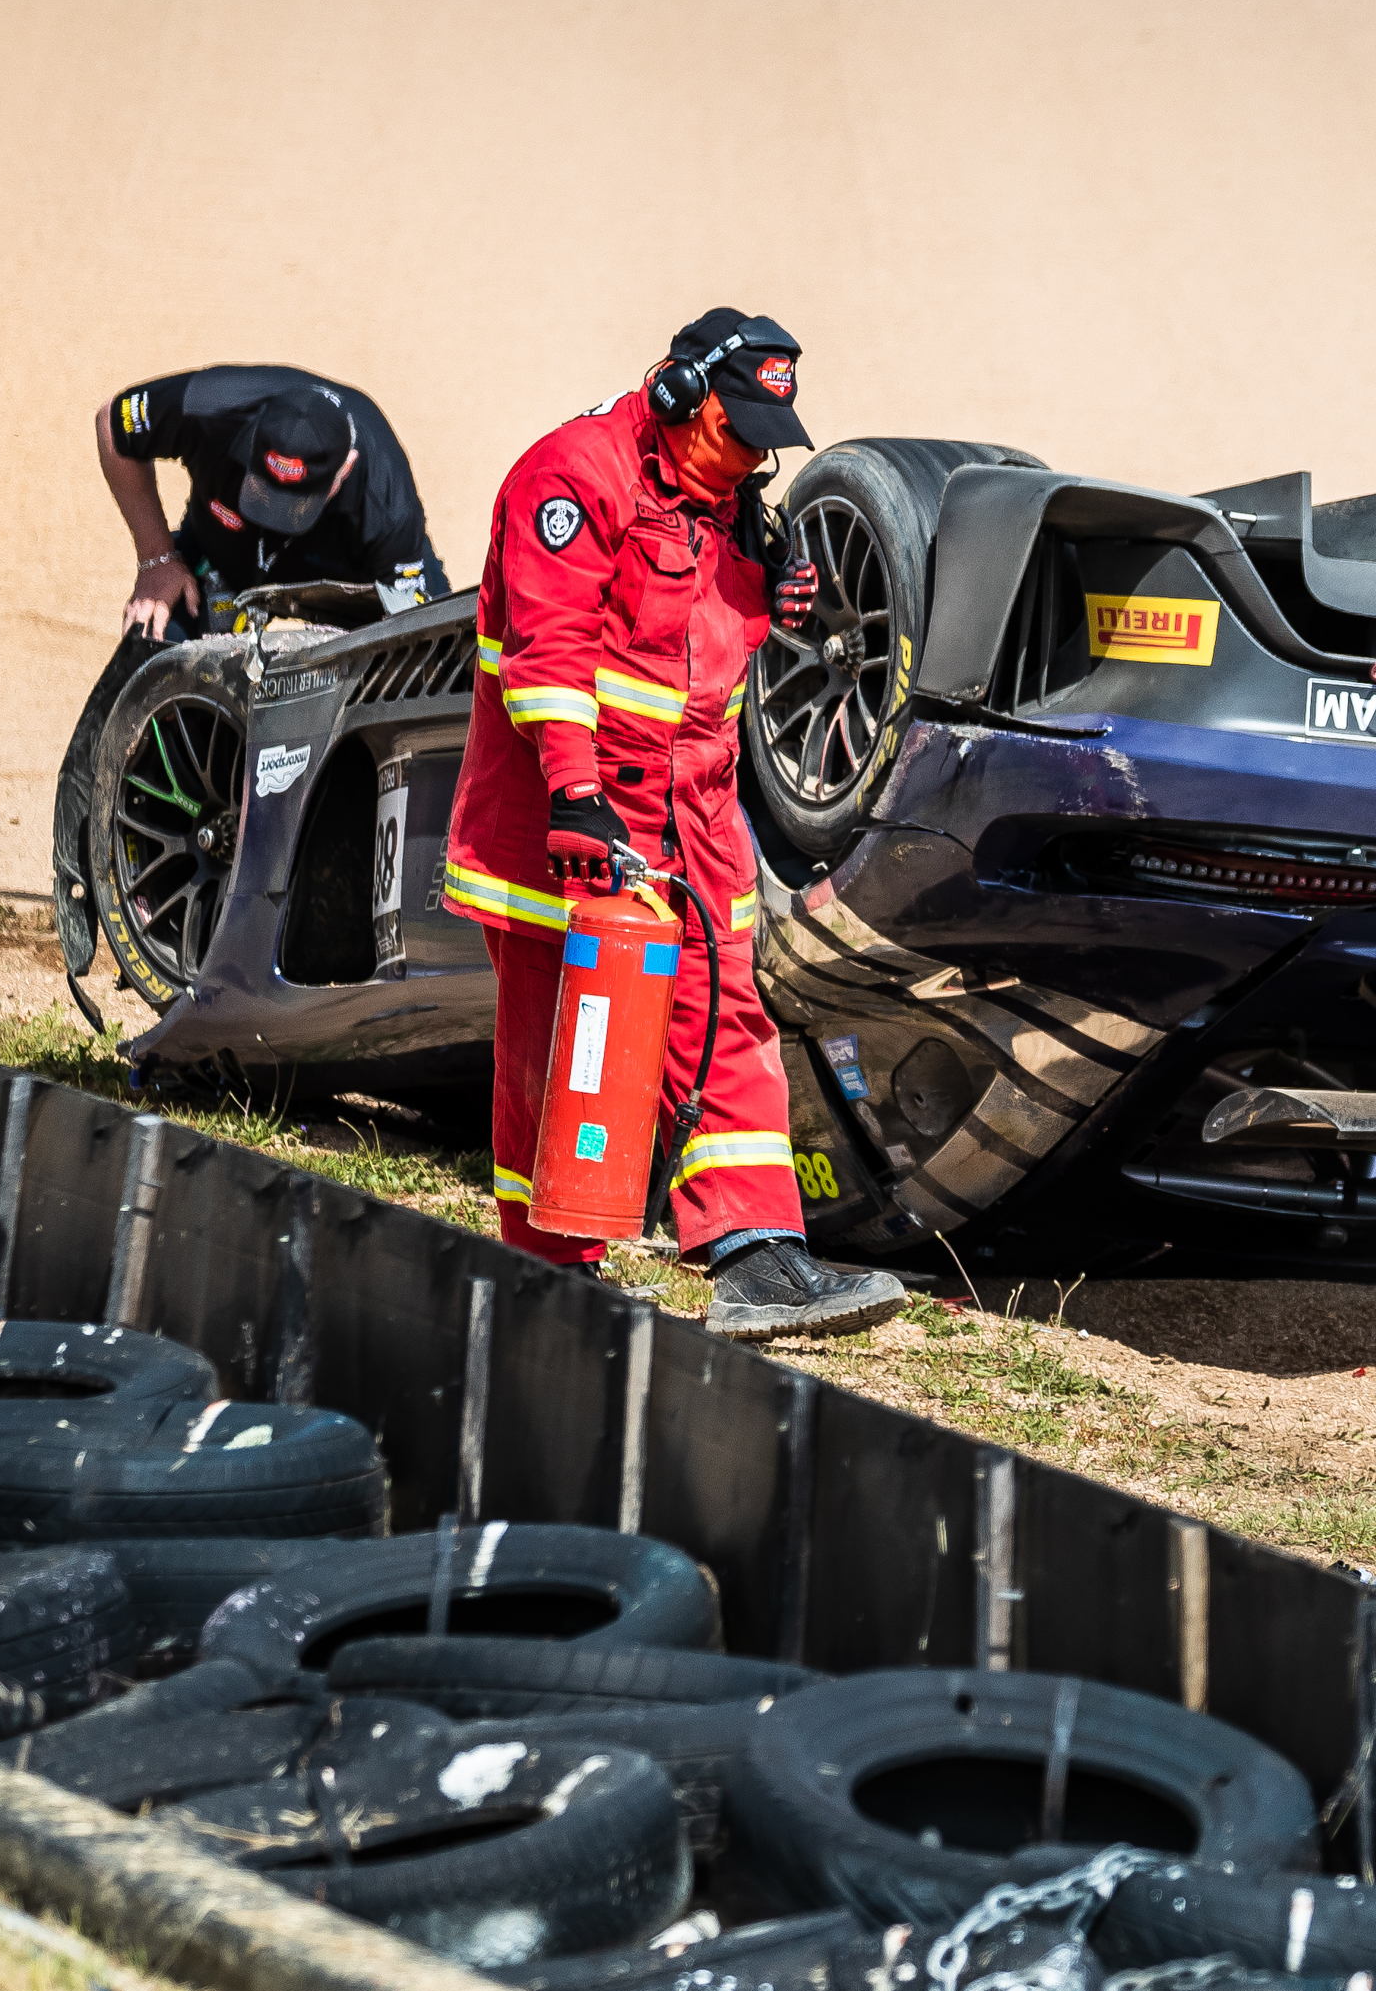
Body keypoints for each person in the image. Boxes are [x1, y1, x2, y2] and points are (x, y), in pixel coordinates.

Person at [439, 312, 907, 1341]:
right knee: (566, 1043)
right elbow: (550, 659)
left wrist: (764, 587)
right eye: (733, 430)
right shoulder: (571, 478)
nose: (751, 456)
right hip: (570, 813)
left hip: (691, 815)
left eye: (765, 439)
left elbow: (694, 656)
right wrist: (574, 796)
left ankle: (760, 1260)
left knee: (724, 1014)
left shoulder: (730, 503)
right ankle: (550, 1271)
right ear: (672, 392)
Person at [95, 365, 447, 640]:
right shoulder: (213, 407)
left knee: (440, 662)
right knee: (152, 646)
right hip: (221, 557)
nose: (275, 516)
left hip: (354, 589)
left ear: (346, 469)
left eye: (296, 505)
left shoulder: (385, 496)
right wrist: (156, 559)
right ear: (252, 442)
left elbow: (410, 631)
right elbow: (112, 424)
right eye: (263, 492)